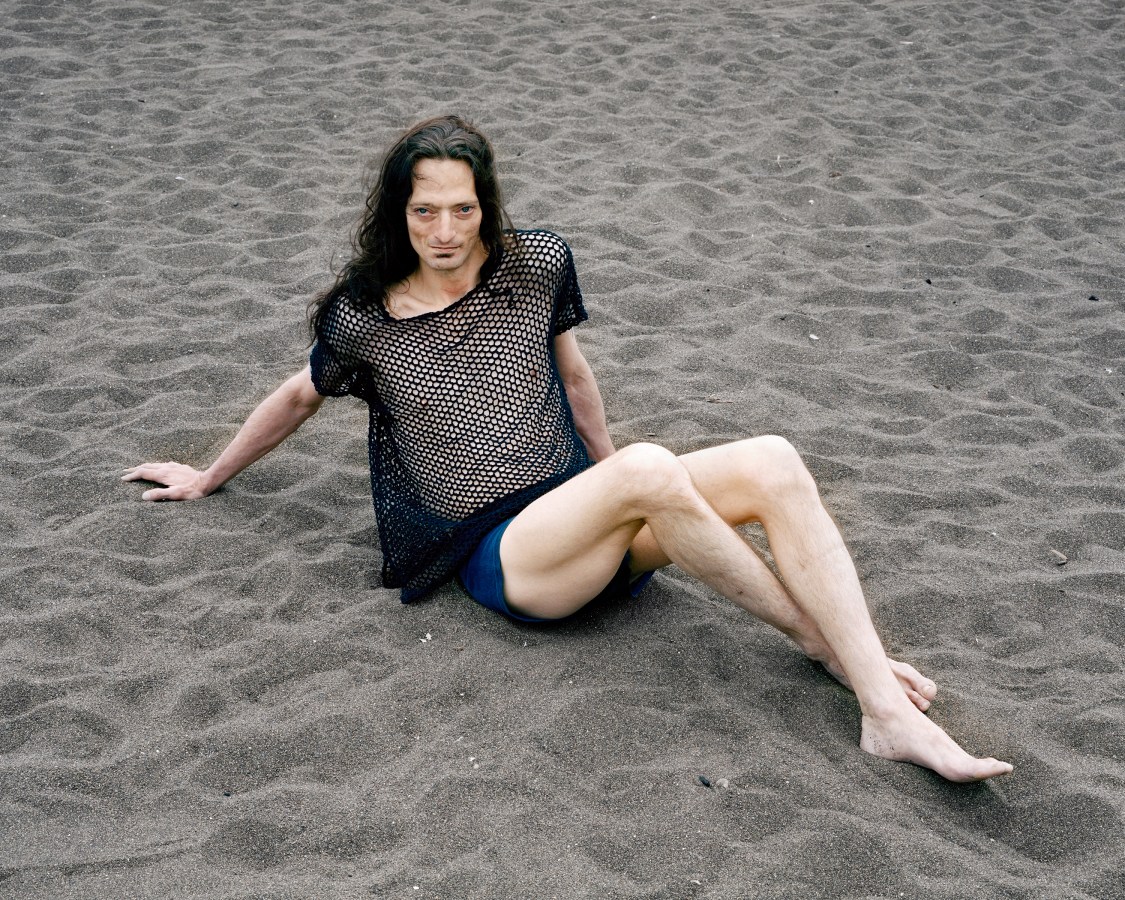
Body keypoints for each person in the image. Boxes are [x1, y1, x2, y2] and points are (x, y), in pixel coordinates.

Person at [124, 115, 1013, 783]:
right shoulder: (365, 314)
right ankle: (854, 676)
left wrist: (626, 496)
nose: (444, 231)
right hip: (504, 561)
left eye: (462, 209)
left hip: (577, 517)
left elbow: (576, 379)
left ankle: (874, 696)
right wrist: (208, 477)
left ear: (486, 206)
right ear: (400, 212)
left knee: (771, 458)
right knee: (649, 471)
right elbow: (296, 396)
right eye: (425, 210)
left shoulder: (533, 266)